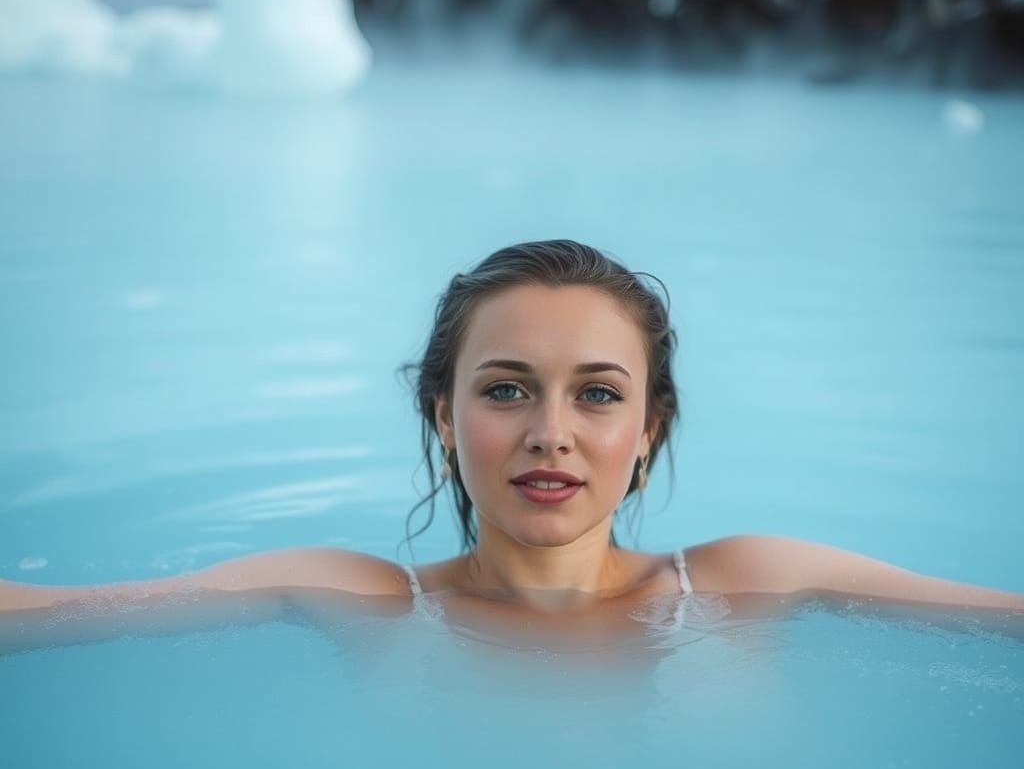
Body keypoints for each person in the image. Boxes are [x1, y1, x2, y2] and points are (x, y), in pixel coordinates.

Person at [1, 239, 1022, 653]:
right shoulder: (358, 595)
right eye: (503, 389)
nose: (551, 434)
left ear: (648, 425)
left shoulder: (750, 578)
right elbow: (55, 613)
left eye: (597, 394)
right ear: (442, 416)